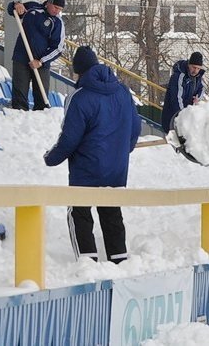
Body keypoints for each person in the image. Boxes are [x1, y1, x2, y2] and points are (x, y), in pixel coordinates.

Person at [44, 46, 141, 263]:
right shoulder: (123, 92)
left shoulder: (80, 97)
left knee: (79, 213)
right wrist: (122, 151)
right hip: (116, 169)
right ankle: (119, 260)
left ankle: (87, 263)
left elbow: (69, 138)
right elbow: (135, 129)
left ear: (78, 72)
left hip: (86, 170)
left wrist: (51, 158)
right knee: (111, 213)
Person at [6, 0, 67, 110]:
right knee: (19, 97)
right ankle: (18, 119)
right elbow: (12, 10)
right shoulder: (33, 8)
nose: (57, 11)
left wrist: (41, 61)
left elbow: (58, 48)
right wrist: (16, 4)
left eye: (60, 9)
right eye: (55, 7)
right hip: (21, 58)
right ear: (49, 2)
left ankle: (39, 122)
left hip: (41, 64)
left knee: (41, 99)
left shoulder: (58, 23)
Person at [160, 51, 206, 133]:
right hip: (173, 117)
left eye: (198, 68)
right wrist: (183, 116)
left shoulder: (197, 77)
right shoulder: (179, 76)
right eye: (193, 67)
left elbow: (202, 88)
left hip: (186, 119)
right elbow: (177, 98)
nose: (195, 71)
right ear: (189, 65)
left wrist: (197, 97)